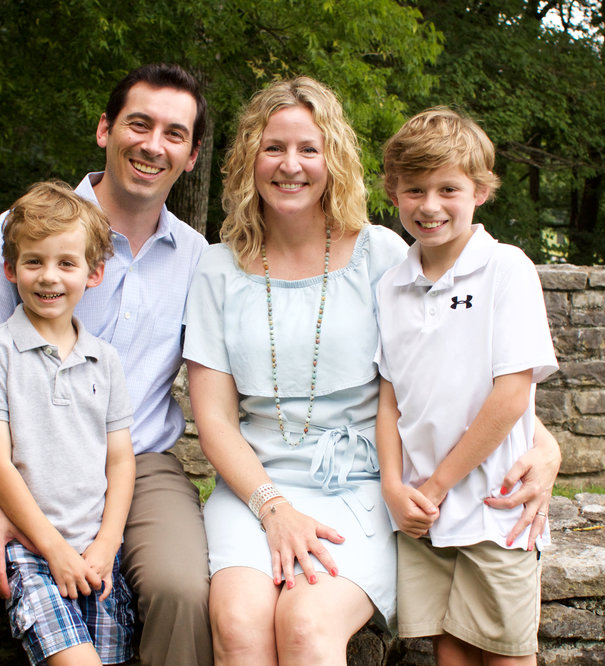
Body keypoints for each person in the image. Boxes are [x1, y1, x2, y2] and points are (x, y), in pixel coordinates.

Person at [183, 78, 561, 665]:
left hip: (361, 486)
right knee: (237, 623)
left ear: (332, 158)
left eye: (309, 149)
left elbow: (449, 372)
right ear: (247, 159)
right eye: (273, 147)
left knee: (306, 626)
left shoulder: (384, 255)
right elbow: (213, 419)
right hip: (252, 487)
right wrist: (273, 508)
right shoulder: (216, 268)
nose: (291, 165)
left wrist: (545, 444)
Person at [0, 63, 213, 666]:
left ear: (192, 155)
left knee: (183, 593)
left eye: (174, 134)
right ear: (104, 129)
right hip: (20, 461)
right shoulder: (25, 231)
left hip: (138, 463)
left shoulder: (199, 260)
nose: (152, 145)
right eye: (137, 124)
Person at [374, 107, 558, 666]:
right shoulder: (392, 284)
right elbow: (389, 397)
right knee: (448, 651)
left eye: (447, 188)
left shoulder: (507, 269)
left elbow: (510, 398)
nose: (430, 206)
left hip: (490, 505)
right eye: (415, 190)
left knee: (504, 655)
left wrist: (436, 486)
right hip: (420, 517)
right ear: (394, 192)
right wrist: (393, 486)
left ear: (479, 191)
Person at [0, 180, 136, 665]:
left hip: (98, 555)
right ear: (10, 269)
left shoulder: (106, 360)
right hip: (33, 553)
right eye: (33, 261)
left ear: (94, 273)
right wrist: (53, 549)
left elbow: (120, 460)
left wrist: (108, 542)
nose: (48, 276)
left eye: (66, 263)